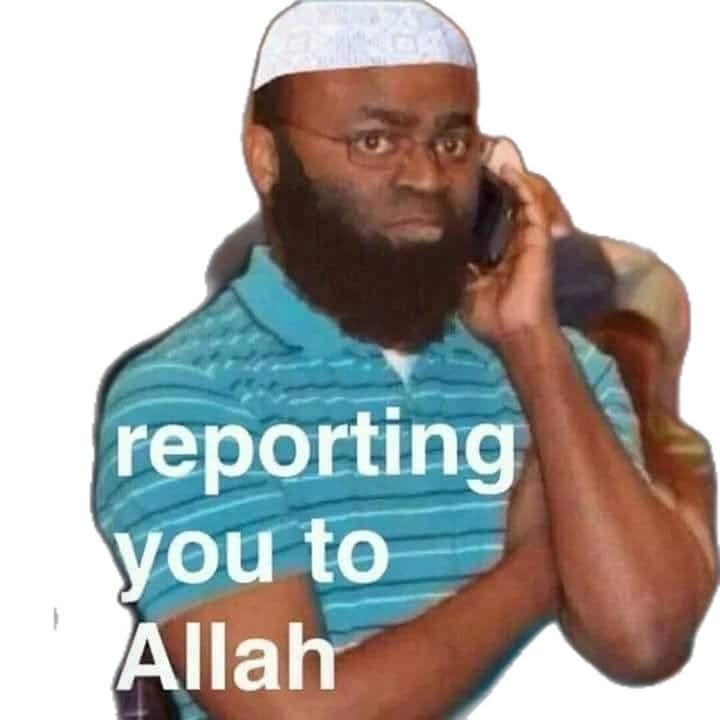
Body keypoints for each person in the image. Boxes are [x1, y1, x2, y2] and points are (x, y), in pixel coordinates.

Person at [94, 2, 717, 718]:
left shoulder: (561, 370)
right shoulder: (184, 396)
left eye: (451, 143)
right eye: (374, 141)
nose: (424, 175)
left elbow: (645, 638)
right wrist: (537, 568)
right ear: (267, 158)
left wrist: (534, 348)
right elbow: (297, 712)